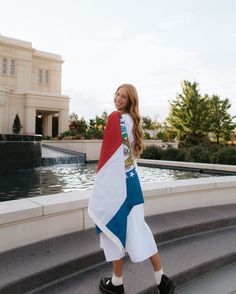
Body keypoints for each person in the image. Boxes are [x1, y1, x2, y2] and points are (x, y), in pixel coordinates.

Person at [88, 84, 175, 294]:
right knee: (139, 230)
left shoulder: (117, 119)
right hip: (132, 183)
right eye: (117, 94)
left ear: (130, 101)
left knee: (114, 228)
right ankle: (161, 279)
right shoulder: (133, 121)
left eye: (123, 97)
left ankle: (117, 283)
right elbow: (127, 159)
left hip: (120, 185)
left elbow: (111, 158)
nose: (117, 99)